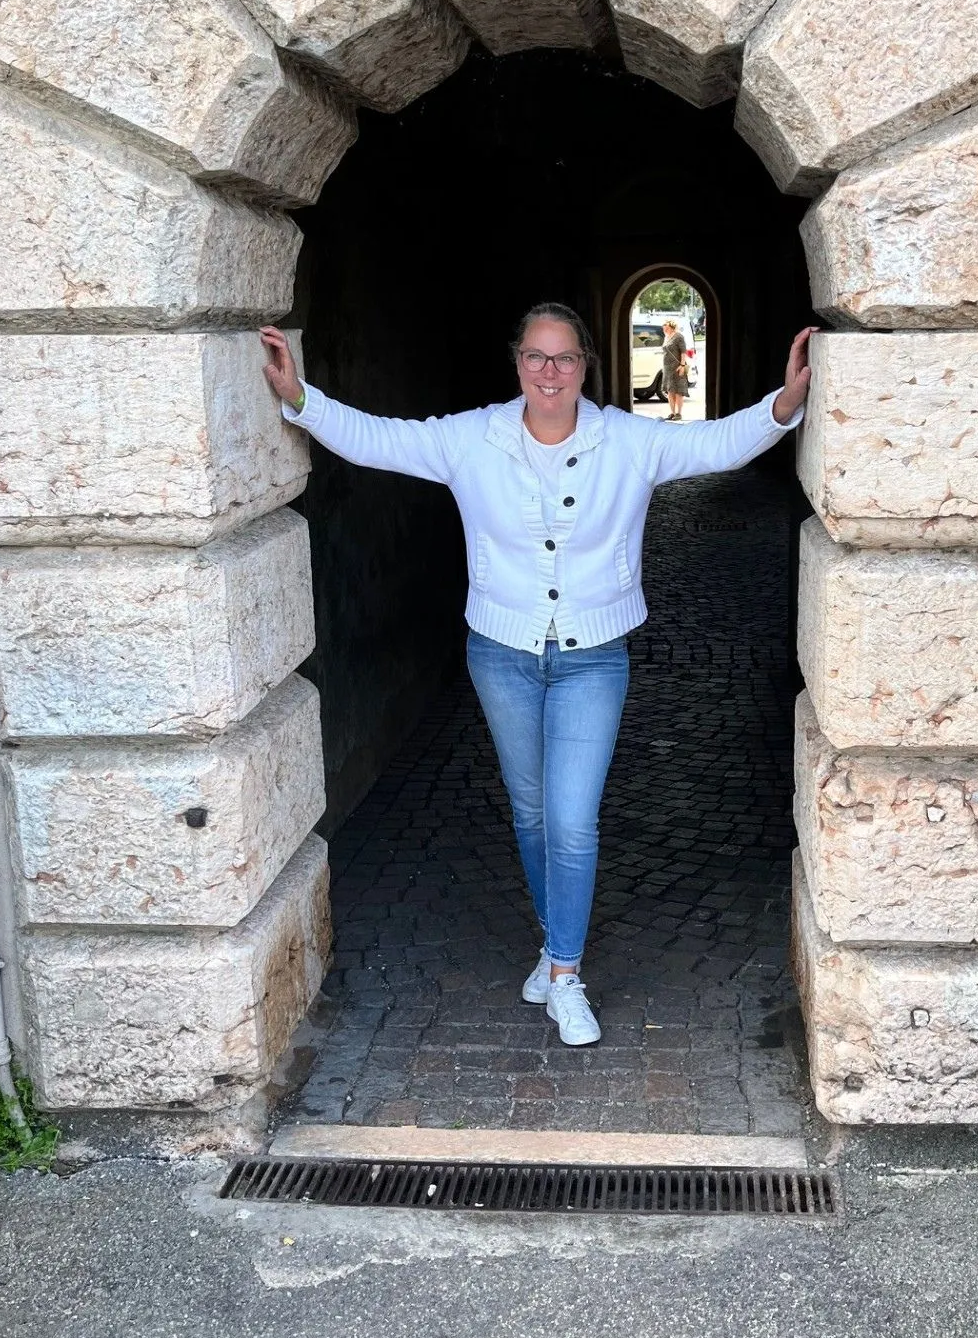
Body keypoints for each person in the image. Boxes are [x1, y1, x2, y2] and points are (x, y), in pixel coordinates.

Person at [260, 305, 812, 1047]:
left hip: (594, 659)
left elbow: (716, 444)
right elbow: (380, 439)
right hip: (501, 654)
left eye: (564, 359)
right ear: (516, 362)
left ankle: (564, 976)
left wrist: (784, 405)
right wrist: (301, 398)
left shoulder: (628, 440)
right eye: (534, 357)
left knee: (572, 820)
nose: (548, 373)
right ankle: (556, 948)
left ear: (587, 365)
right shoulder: (473, 438)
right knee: (529, 814)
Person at [661, 319, 690, 421]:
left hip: (678, 367)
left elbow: (683, 352)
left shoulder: (678, 336)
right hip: (668, 369)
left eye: (665, 325)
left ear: (671, 326)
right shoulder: (666, 337)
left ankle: (679, 413)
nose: (663, 327)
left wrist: (682, 365)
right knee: (670, 391)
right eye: (663, 325)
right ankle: (672, 412)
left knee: (678, 391)